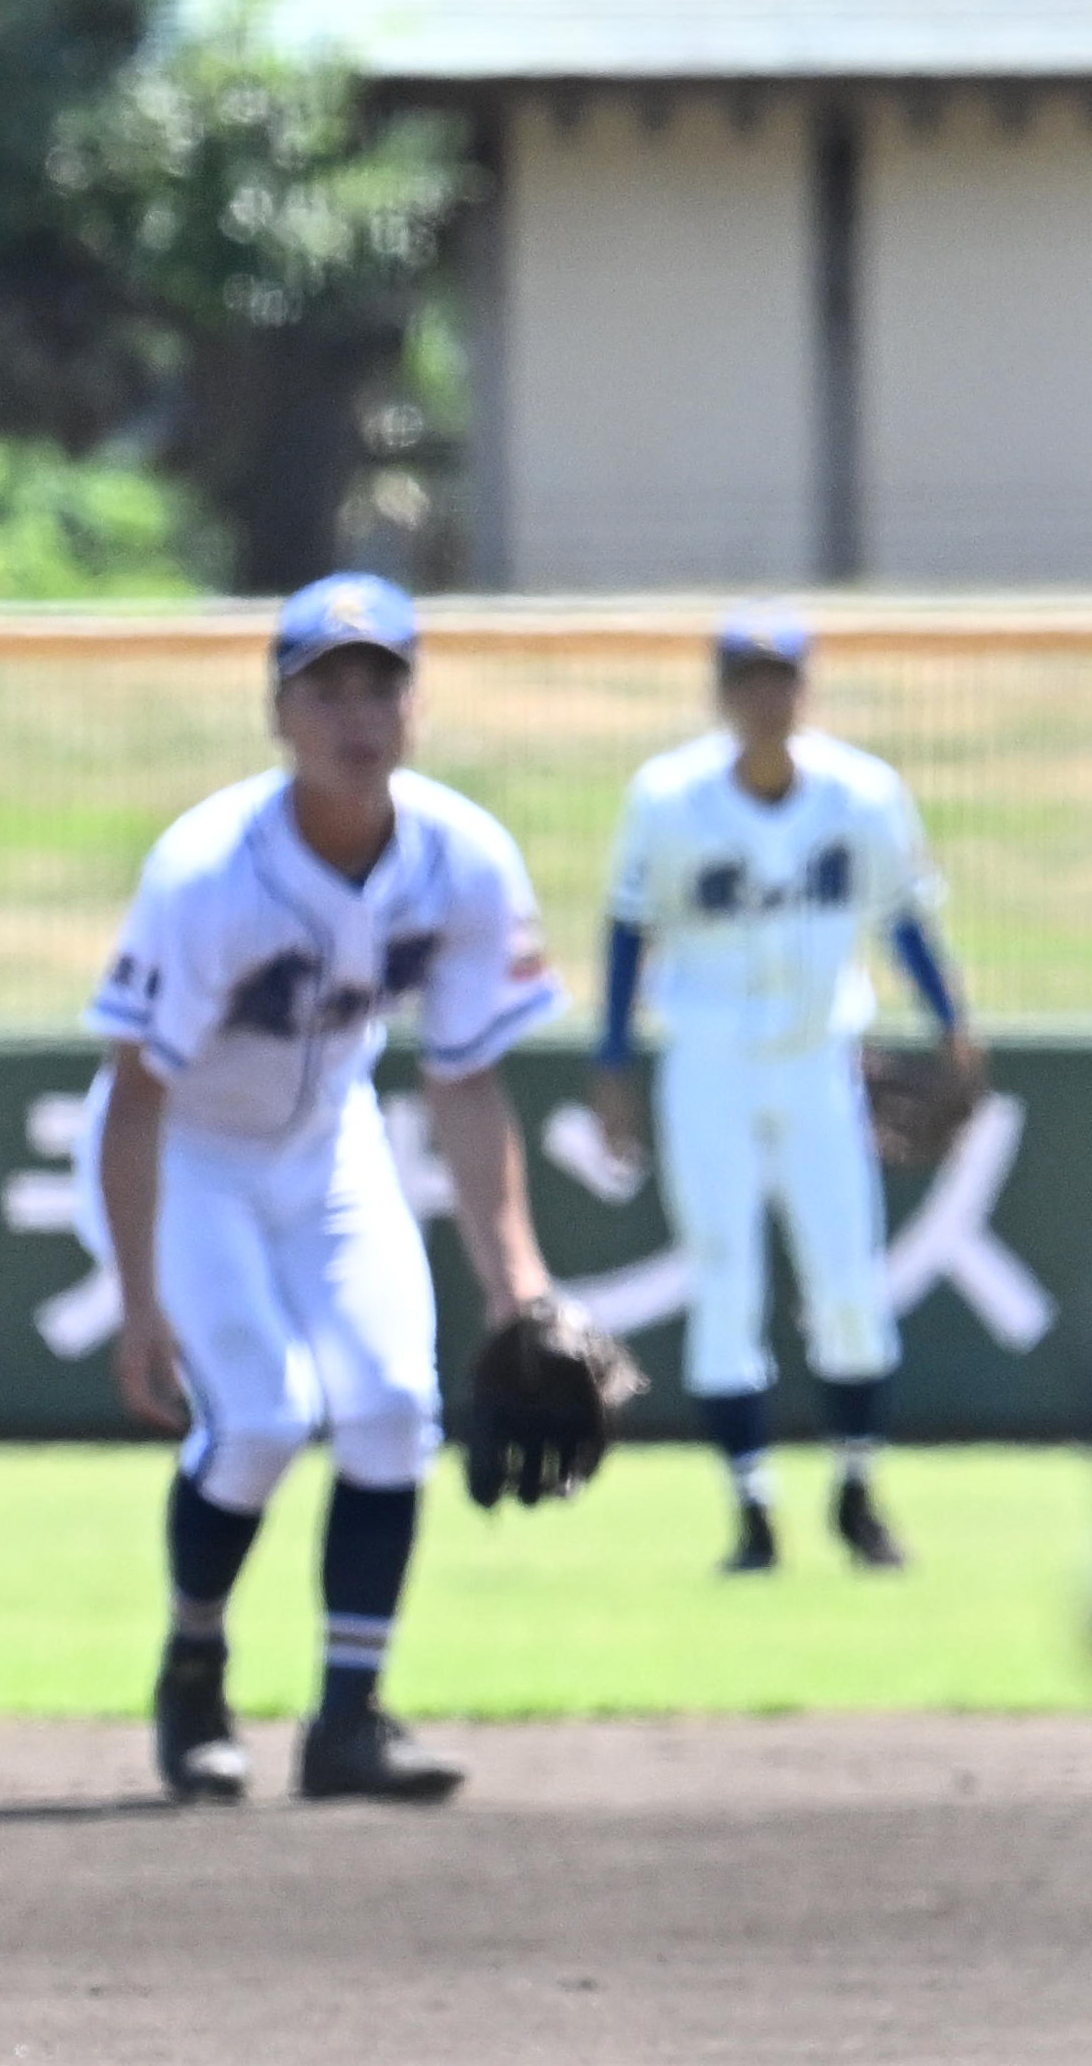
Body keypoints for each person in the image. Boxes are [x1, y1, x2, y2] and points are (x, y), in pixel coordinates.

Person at [88, 574, 591, 1808]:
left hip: (329, 1142)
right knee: (257, 1420)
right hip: (191, 1153)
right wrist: (138, 1303)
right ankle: (192, 1671)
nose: (354, 715)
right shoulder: (208, 869)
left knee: (385, 1406)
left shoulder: (462, 856)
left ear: (414, 708)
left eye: (380, 685)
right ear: (277, 712)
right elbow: (134, 1096)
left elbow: (466, 1081)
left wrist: (516, 1284)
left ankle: (347, 1723)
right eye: (325, 688)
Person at [585, 608, 977, 1574]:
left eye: (781, 676)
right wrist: (611, 1061)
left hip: (816, 1060)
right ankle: (750, 1510)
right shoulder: (669, 797)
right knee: (725, 1283)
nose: (765, 696)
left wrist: (955, 1029)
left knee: (848, 1281)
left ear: (806, 689)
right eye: (747, 677)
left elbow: (904, 920)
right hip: (708, 1062)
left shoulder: (861, 793)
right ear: (721, 694)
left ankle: (854, 1490)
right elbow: (629, 928)